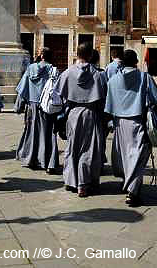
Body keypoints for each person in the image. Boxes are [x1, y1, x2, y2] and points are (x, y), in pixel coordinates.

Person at [105, 49, 157, 207]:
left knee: (124, 155)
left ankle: (127, 182)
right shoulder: (145, 77)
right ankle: (133, 192)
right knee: (137, 157)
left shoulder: (113, 80)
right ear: (136, 61)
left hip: (119, 123)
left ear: (121, 62)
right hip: (138, 121)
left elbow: (108, 106)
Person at [54, 43, 106, 197]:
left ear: (76, 54)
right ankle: (84, 182)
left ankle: (71, 180)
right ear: (90, 55)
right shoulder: (98, 75)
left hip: (73, 114)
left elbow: (59, 96)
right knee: (89, 148)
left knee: (72, 146)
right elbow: (103, 98)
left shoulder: (67, 73)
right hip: (91, 113)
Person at [14, 47, 59, 174]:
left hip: (32, 105)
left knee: (32, 131)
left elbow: (23, 89)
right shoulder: (53, 70)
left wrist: (19, 106)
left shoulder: (31, 68)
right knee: (49, 133)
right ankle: (47, 162)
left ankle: (31, 159)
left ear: (41, 56)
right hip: (47, 106)